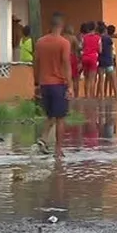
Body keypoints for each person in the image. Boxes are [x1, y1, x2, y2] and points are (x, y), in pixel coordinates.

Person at [34, 13, 73, 158]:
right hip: (59, 84)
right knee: (60, 118)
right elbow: (66, 63)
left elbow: (36, 63)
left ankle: (43, 139)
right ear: (61, 26)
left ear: (50, 26)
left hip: (44, 84)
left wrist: (36, 83)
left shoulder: (40, 42)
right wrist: (70, 85)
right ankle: (58, 149)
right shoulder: (64, 43)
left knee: (50, 115)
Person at [81, 21, 101, 98]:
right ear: (95, 28)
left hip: (85, 58)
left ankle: (86, 96)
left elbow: (82, 47)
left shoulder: (84, 37)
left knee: (86, 78)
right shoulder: (98, 38)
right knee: (92, 79)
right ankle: (92, 96)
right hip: (93, 58)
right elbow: (100, 50)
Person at [97, 24, 117, 99]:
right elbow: (112, 50)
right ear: (105, 31)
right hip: (109, 62)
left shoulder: (99, 39)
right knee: (113, 79)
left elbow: (99, 50)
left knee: (101, 80)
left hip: (101, 62)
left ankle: (102, 97)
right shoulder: (109, 39)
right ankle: (116, 96)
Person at [63, 25, 81, 98]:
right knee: (75, 78)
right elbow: (78, 48)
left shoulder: (62, 37)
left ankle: (66, 95)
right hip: (72, 57)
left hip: (64, 58)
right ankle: (76, 95)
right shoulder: (73, 38)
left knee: (65, 77)